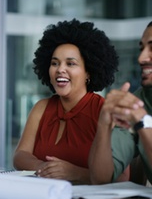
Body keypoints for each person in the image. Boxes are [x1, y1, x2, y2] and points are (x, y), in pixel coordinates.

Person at [13, 19, 120, 184]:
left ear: (88, 72)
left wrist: (74, 173)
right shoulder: (41, 108)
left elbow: (122, 178)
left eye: (71, 63)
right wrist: (45, 168)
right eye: (54, 63)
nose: (60, 69)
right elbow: (20, 156)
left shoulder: (104, 111)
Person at [89, 21, 152, 184]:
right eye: (141, 48)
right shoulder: (137, 102)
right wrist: (104, 126)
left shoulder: (138, 112)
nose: (141, 58)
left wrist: (143, 122)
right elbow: (101, 178)